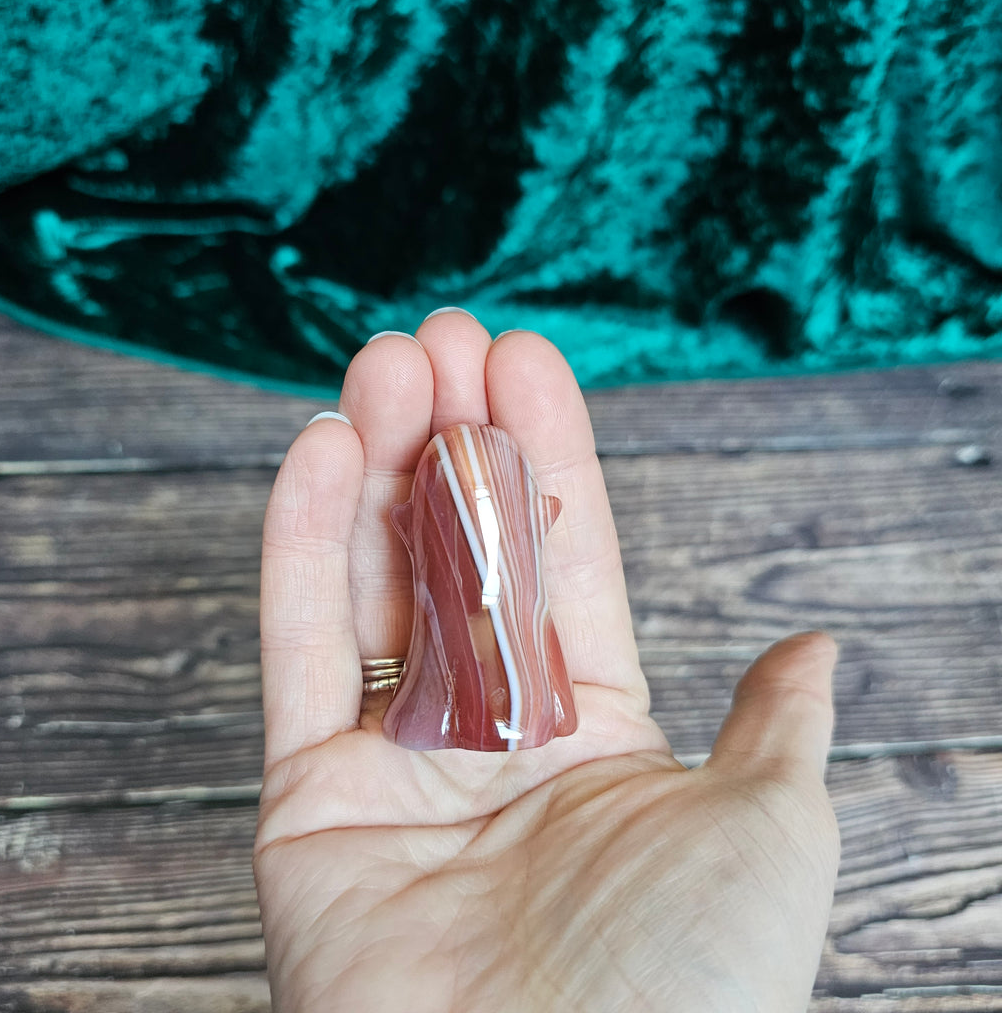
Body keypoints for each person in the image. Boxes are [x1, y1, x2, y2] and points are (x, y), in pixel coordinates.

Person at [253, 309, 840, 1012]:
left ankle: (490, 704)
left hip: (504, 671)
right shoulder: (453, 519)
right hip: (472, 665)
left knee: (502, 666)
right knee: (478, 661)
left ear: (538, 518)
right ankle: (486, 703)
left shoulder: (484, 521)